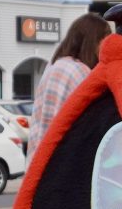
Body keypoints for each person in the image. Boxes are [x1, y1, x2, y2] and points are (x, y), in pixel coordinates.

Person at [27, 12, 110, 151]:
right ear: (93, 41)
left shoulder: (53, 66)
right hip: (62, 160)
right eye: (105, 41)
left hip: (40, 157)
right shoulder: (78, 72)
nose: (107, 47)